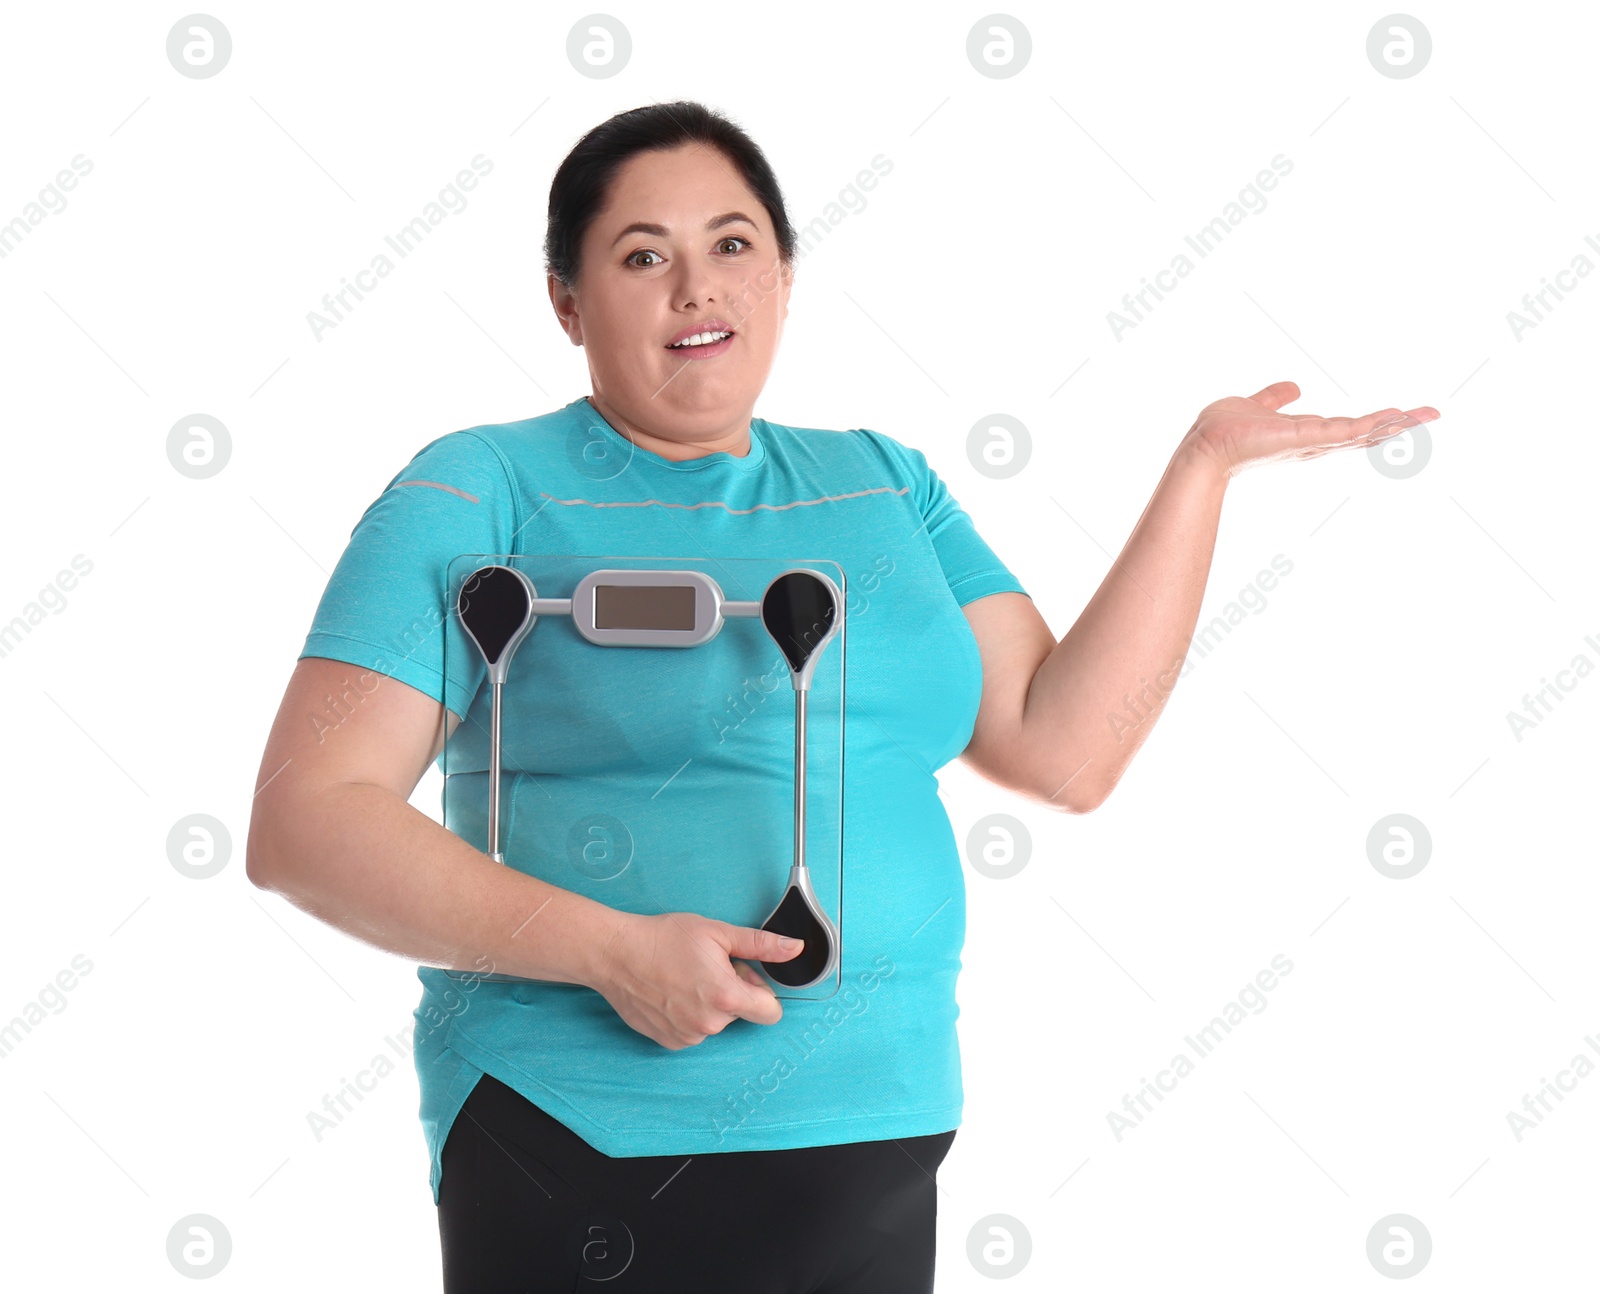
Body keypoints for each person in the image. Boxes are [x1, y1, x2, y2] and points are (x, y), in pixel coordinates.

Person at [246, 100, 1439, 1291]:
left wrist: (1202, 471)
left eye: (732, 245)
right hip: (578, 1130)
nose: (696, 289)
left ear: (782, 274)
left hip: (872, 1129)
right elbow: (309, 823)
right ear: (565, 299)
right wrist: (612, 953)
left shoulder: (884, 482)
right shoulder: (480, 486)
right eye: (642, 256)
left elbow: (1062, 748)